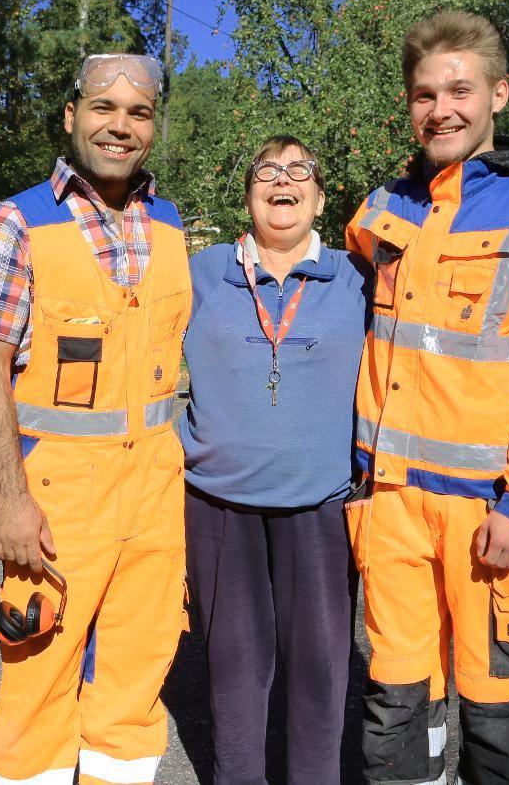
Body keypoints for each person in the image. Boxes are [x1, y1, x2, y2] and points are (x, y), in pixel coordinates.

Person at [344, 11, 509, 785]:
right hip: (388, 510)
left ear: (499, 94)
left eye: (459, 89)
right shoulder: (382, 210)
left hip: (488, 516)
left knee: (493, 721)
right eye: (425, 94)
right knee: (394, 712)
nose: (441, 108)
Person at [0, 53, 191, 785]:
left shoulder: (172, 225)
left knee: (133, 690)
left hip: (154, 500)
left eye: (139, 112)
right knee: (36, 696)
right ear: (71, 116)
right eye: (103, 108)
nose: (120, 126)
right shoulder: (15, 222)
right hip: (58, 505)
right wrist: (9, 496)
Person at [181, 135, 370, 785]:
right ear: (248, 193)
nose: (282, 180)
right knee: (234, 670)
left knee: (320, 674)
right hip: (217, 504)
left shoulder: (357, 277)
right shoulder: (200, 271)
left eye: (299, 171)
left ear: (320, 196)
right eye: (267, 170)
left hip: (319, 504)